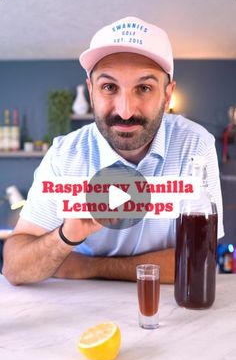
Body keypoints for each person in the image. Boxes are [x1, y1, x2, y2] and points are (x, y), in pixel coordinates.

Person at [2, 16, 224, 285]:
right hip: (79, 309)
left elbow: (198, 262)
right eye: (109, 87)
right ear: (91, 91)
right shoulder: (65, 154)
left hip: (167, 310)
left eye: (144, 88)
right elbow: (15, 268)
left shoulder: (196, 145)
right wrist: (65, 237)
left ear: (167, 96)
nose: (125, 111)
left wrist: (85, 267)